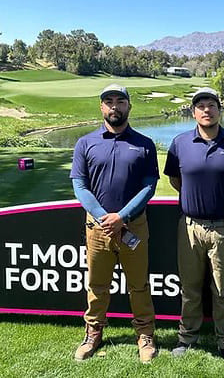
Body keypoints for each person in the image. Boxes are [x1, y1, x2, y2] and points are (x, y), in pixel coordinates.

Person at [164, 87, 224, 365]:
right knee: (190, 289)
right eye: (200, 105)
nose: (206, 110)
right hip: (190, 227)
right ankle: (186, 337)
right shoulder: (180, 142)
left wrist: (220, 200)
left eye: (211, 105)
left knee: (222, 289)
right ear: (194, 112)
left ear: (219, 109)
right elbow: (175, 181)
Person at [70, 84, 159, 363]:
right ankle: (93, 333)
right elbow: (79, 185)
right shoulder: (86, 143)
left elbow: (149, 187)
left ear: (129, 107)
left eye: (120, 101)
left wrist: (121, 217)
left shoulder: (144, 144)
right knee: (97, 285)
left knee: (139, 285)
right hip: (97, 229)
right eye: (108, 101)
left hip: (133, 226)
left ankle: (145, 335)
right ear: (101, 107)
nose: (114, 106)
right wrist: (103, 218)